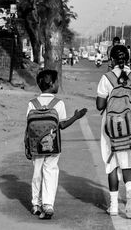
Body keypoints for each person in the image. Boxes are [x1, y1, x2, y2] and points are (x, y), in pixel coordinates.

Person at [96, 45, 131, 218]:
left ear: (111, 60)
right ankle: (130, 194)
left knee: (112, 164)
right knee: (129, 162)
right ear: (128, 59)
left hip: (111, 128)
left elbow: (99, 106)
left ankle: (113, 207)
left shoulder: (106, 78)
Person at [26, 69, 87, 219]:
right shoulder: (58, 103)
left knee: (36, 173)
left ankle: (35, 204)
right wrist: (76, 116)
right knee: (51, 171)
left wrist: (26, 145)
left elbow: (28, 126)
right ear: (52, 84)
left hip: (35, 146)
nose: (58, 85)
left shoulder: (32, 103)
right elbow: (62, 125)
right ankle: (48, 204)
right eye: (57, 82)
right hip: (53, 146)